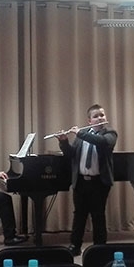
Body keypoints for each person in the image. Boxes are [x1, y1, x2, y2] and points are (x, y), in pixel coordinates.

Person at [57, 103, 117, 256]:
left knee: (98, 215)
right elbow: (71, 155)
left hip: (99, 183)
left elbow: (102, 142)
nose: (100, 118)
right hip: (81, 181)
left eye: (102, 115)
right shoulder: (82, 135)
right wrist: (64, 141)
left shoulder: (110, 133)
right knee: (79, 215)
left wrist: (80, 134)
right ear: (89, 121)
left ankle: (100, 247)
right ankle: (75, 245)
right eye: (96, 116)